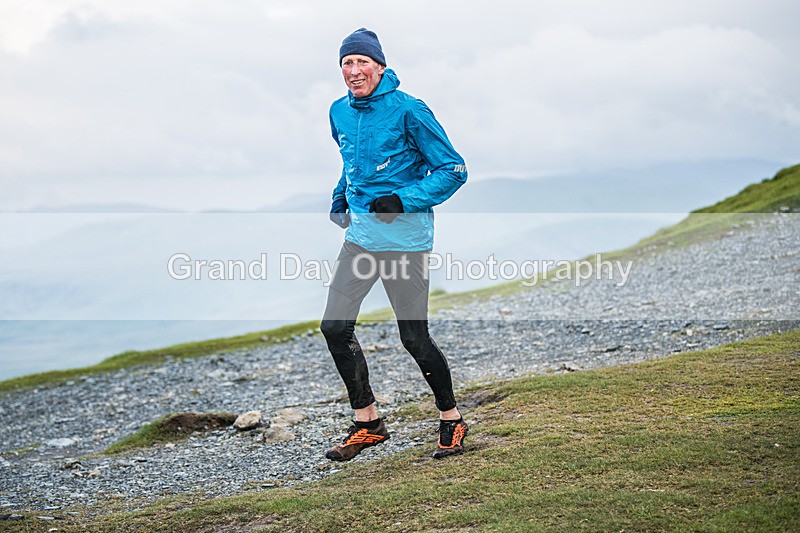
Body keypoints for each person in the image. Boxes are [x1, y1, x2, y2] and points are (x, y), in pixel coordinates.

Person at [321, 28, 469, 461]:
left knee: (414, 339)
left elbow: (453, 170)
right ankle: (368, 423)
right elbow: (352, 162)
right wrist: (339, 196)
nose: (353, 70)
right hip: (361, 239)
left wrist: (403, 200)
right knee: (334, 327)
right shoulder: (338, 112)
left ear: (380, 67)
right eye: (346, 63)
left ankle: (452, 419)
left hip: (405, 241)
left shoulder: (410, 110)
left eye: (361, 62)